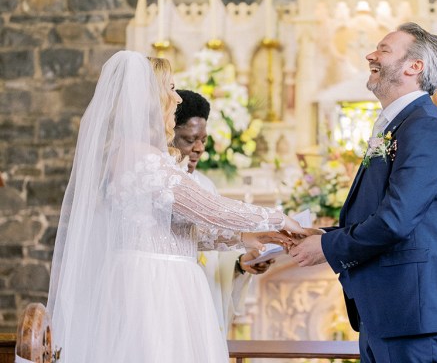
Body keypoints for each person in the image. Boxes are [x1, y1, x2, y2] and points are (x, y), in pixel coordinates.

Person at [47, 51, 304, 363]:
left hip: (157, 275)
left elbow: (180, 229)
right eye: (170, 88)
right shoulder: (142, 158)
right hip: (156, 285)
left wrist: (247, 238)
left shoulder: (130, 154)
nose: (178, 99)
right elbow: (213, 209)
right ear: (149, 100)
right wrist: (279, 219)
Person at [289, 22, 437, 362]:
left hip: (413, 315)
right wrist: (318, 234)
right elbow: (376, 212)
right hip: (388, 313)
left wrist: (325, 246)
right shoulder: (400, 124)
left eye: (383, 49)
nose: (370, 54)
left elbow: (395, 221)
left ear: (414, 67)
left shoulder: (426, 127)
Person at [173, 89, 274, 336]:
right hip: (169, 294)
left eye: (204, 140)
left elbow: (213, 250)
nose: (198, 148)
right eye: (189, 139)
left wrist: (241, 264)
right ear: (168, 134)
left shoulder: (206, 186)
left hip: (202, 306)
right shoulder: (156, 183)